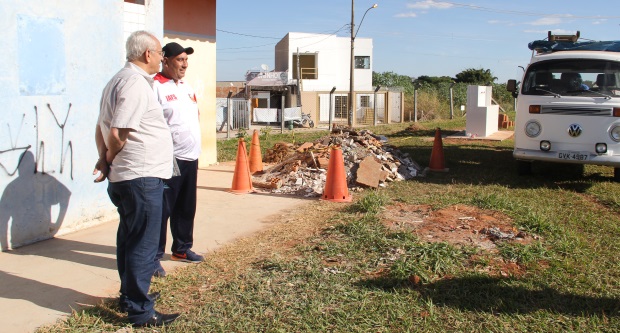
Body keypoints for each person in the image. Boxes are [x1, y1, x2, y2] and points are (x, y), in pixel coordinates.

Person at [93, 30, 179, 327]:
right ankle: (140, 311)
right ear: (147, 55)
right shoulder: (135, 84)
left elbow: (100, 129)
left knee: (130, 240)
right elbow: (118, 132)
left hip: (128, 176)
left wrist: (103, 159)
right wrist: (107, 159)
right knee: (142, 243)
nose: (161, 59)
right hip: (140, 175)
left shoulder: (115, 81)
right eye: (159, 54)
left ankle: (130, 296)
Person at [152, 42, 203, 278]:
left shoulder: (186, 87)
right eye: (180, 60)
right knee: (162, 209)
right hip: (168, 159)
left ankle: (182, 249)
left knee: (186, 206)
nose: (184, 64)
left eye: (186, 60)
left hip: (190, 156)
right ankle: (153, 257)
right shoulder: (155, 86)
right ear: (166, 60)